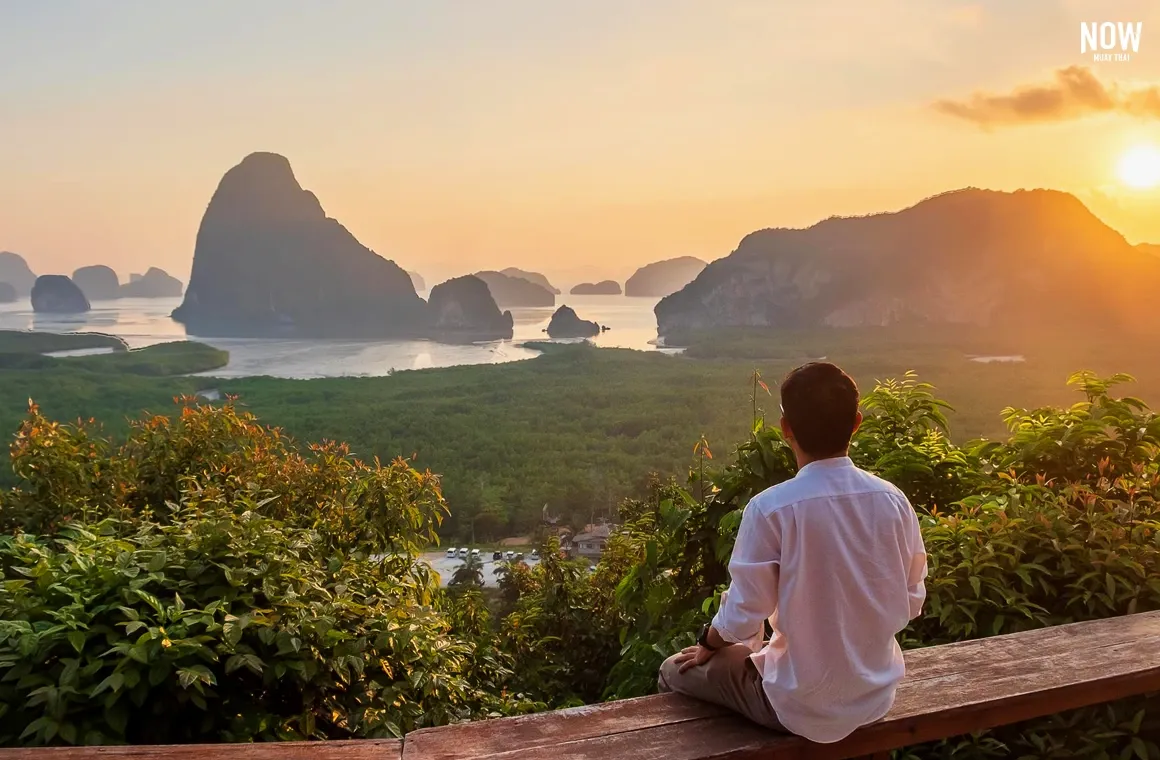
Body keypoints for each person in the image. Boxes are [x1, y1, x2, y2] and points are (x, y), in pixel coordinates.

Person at [657, 361, 928, 744]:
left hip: (796, 706)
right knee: (754, 653)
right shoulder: (893, 500)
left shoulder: (773, 508)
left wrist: (708, 642)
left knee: (674, 669)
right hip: (874, 697)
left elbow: (744, 613)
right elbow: (913, 600)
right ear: (856, 423)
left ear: (786, 430)